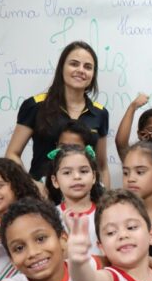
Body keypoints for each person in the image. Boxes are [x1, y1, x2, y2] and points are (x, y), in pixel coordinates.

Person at [6, 41, 110, 187]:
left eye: (88, 67)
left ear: (93, 74)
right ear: (62, 67)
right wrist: (34, 186)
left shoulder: (100, 113)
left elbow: (102, 167)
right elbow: (12, 154)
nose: (81, 70)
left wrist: (104, 203)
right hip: (42, 198)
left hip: (84, 198)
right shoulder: (35, 106)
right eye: (74, 64)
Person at [46, 144, 105, 255]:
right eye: (67, 172)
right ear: (55, 181)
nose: (76, 176)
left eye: (83, 171)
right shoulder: (50, 217)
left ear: (94, 177)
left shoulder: (105, 213)